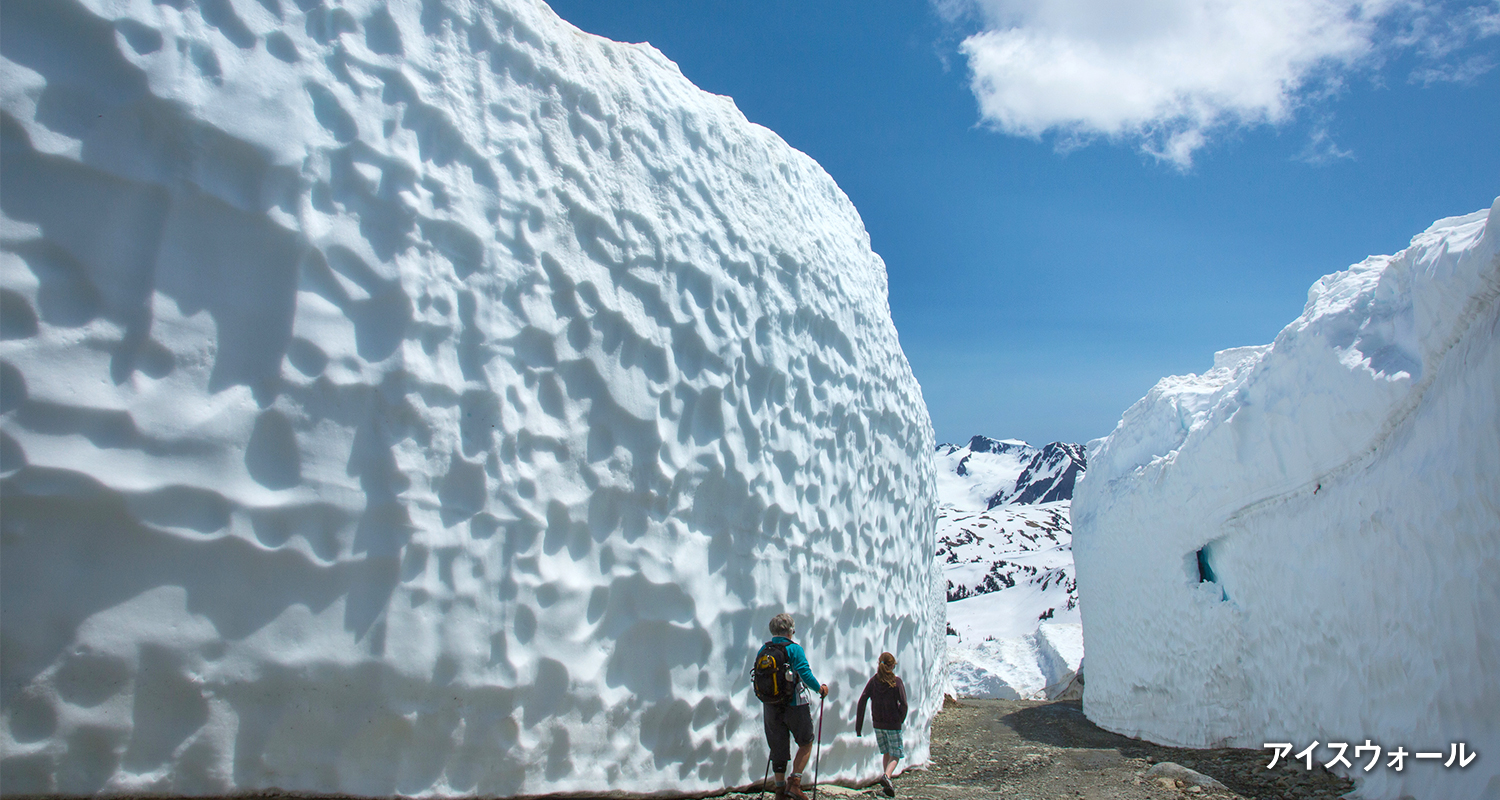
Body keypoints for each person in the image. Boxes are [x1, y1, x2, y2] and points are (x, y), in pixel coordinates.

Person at [758, 613, 827, 800]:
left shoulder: (764, 650)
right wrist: (819, 689)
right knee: (806, 741)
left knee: (777, 747)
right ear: (790, 631)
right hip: (795, 704)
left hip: (771, 705)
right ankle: (794, 784)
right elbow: (804, 673)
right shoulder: (794, 649)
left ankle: (779, 791)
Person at [855, 652, 908, 797]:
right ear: (892, 666)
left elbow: (862, 700)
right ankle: (887, 776)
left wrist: (858, 727)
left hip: (878, 724)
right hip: (893, 724)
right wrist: (900, 719)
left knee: (886, 752)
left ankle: (887, 785)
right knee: (896, 754)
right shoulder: (896, 682)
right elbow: (904, 703)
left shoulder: (874, 682)